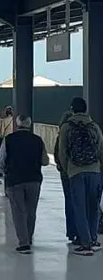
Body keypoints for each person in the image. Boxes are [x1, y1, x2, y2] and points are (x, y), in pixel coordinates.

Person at [56, 97, 103, 256]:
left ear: (72, 109)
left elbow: (62, 152)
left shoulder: (66, 127)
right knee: (93, 206)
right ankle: (93, 239)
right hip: (94, 171)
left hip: (75, 172)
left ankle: (85, 243)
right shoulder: (94, 126)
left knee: (79, 207)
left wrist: (67, 169)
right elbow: (101, 148)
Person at [0, 115, 50, 254]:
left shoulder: (9, 139)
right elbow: (45, 161)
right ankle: (29, 237)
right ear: (29, 125)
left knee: (18, 212)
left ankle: (24, 243)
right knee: (31, 211)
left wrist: (6, 170)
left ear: (17, 124)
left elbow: (0, 160)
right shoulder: (38, 140)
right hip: (34, 179)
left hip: (14, 180)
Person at [54, 110, 77, 244]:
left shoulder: (61, 135)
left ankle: (71, 231)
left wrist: (62, 167)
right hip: (79, 170)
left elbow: (58, 154)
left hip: (66, 173)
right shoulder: (77, 132)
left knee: (69, 201)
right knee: (80, 201)